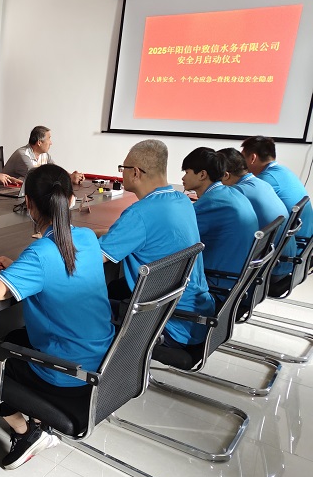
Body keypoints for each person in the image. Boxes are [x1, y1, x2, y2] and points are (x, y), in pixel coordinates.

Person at [0, 164, 115, 470]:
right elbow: (60, 270)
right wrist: (20, 269)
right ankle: (36, 415)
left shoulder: (40, 253)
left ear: (29, 204)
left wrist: (20, 269)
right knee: (12, 338)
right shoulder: (88, 238)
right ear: (71, 200)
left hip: (67, 371)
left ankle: (27, 433)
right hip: (104, 358)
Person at [98, 139, 215, 348]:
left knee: (80, 300)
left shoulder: (139, 214)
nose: (121, 173)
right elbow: (144, 233)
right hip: (197, 313)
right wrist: (92, 233)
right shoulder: (182, 201)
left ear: (135, 172)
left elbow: (95, 258)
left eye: (123, 168)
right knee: (115, 287)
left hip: (168, 322)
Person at [180, 147, 258, 291]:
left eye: (187, 172)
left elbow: (179, 236)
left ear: (202, 174)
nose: (183, 178)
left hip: (219, 281)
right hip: (240, 278)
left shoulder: (211, 203)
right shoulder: (231, 193)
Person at [218, 147, 293, 280]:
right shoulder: (262, 183)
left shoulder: (237, 192)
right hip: (282, 262)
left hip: (270, 269)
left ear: (225, 175)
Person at [241, 135, 313, 245]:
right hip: (304, 240)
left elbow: (240, 204)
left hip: (294, 243)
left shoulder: (265, 180)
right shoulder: (283, 170)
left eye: (242, 158)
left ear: (252, 158)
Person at [2, 125, 84, 184]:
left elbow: (55, 170)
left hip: (23, 192)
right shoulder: (23, 154)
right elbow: (37, 177)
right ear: (39, 142)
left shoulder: (44, 154)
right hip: (4, 193)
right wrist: (69, 178)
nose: (51, 143)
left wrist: (71, 175)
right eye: (49, 138)